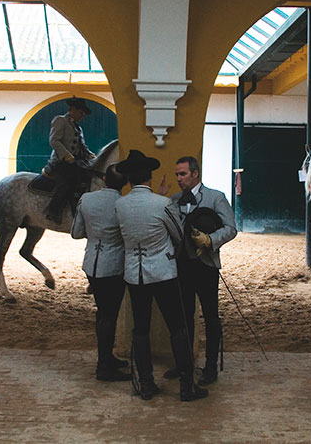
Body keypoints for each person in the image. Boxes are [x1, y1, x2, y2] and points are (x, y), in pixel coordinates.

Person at [114, 149, 208, 402]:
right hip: (164, 272)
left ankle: (146, 384)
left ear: (130, 179)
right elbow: (178, 235)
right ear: (150, 177)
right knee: (177, 327)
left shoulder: (120, 204)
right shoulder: (163, 204)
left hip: (135, 274)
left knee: (140, 329)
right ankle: (187, 386)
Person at [168, 156, 237, 386]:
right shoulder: (174, 200)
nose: (179, 179)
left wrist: (210, 240)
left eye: (183, 174)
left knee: (210, 316)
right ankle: (184, 365)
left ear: (195, 174)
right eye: (177, 174)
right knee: (184, 316)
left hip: (206, 265)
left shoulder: (216, 197)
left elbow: (231, 228)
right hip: (181, 265)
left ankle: (210, 367)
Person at [70, 164, 131, 382]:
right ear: (124, 183)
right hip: (114, 265)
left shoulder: (86, 199)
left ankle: (106, 357)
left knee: (103, 313)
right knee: (109, 314)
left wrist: (95, 233)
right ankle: (104, 365)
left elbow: (76, 233)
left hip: (91, 263)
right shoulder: (124, 204)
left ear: (104, 179)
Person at [45, 97, 94, 223]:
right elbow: (54, 140)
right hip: (61, 161)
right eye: (81, 112)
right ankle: (53, 210)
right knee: (67, 183)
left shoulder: (78, 127)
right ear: (73, 110)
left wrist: (89, 155)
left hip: (76, 161)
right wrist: (66, 155)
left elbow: (82, 145)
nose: (82, 115)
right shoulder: (60, 120)